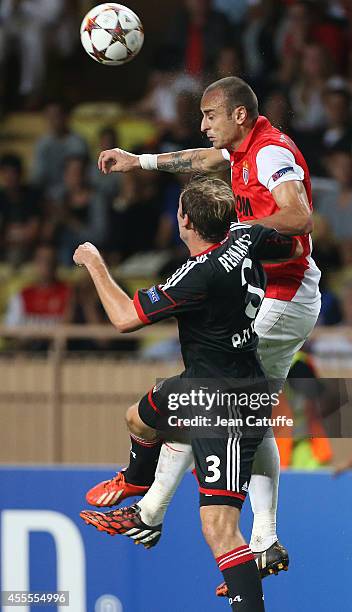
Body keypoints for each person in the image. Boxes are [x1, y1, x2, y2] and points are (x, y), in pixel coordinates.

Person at [91, 76, 321, 595]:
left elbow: (300, 214)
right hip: (280, 293)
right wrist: (140, 162)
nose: (203, 124)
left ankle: (149, 511)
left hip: (281, 298)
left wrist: (244, 235)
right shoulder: (240, 149)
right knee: (248, 414)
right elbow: (201, 159)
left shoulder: (269, 153)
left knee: (208, 397)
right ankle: (263, 539)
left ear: (239, 115)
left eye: (211, 116)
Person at [77, 177, 302, 611]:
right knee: (139, 416)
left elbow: (124, 319)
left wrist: (94, 263)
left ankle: (252, 588)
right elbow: (292, 249)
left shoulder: (199, 274)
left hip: (227, 407)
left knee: (217, 526)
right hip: (204, 384)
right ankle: (139, 484)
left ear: (185, 221)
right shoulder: (246, 236)